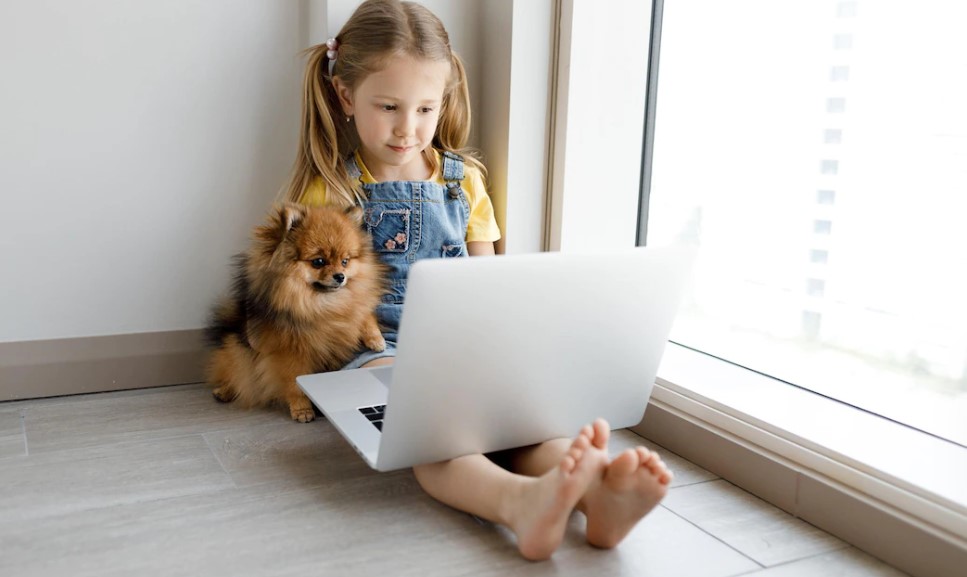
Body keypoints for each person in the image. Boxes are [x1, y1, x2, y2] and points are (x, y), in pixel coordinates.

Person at [280, 0, 673, 561]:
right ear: (345, 97)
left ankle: (596, 490)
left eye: (424, 109)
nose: (406, 128)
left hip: (461, 344)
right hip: (374, 347)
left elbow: (490, 282)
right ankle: (517, 502)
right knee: (436, 434)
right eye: (388, 106)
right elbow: (308, 301)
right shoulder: (331, 193)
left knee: (525, 426)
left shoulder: (465, 182)